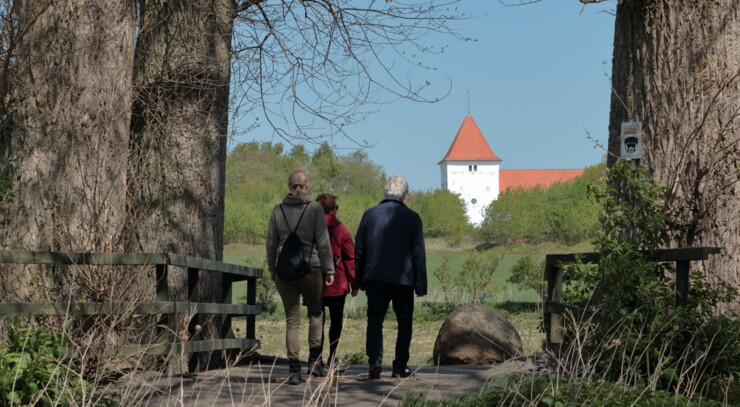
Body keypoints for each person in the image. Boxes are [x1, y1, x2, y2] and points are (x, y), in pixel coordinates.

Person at [354, 175, 427, 379]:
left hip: (375, 277)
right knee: (404, 322)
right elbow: (418, 253)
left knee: (375, 320)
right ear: (404, 194)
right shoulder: (412, 218)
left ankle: (374, 361)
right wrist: (420, 284)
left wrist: (358, 279)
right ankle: (399, 366)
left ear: (385, 191)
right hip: (403, 279)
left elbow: (359, 249)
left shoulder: (369, 215)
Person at [266, 169, 335, 385]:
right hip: (311, 269)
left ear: (289, 186)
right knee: (315, 314)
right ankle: (314, 364)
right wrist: (329, 269)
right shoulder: (314, 209)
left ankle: (294, 370)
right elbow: (323, 242)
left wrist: (272, 268)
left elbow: (271, 243)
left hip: (285, 271)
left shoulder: (278, 210)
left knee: (291, 320)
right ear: (306, 186)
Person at [315, 193, 358, 368]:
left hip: (314, 283)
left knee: (317, 322)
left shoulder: (311, 227)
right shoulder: (341, 229)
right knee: (336, 323)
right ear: (333, 209)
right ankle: (332, 358)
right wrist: (354, 284)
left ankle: (316, 358)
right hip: (337, 285)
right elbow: (350, 259)